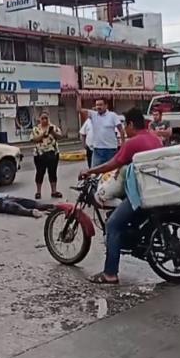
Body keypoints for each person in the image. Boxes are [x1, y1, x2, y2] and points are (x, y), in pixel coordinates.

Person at [79, 108, 163, 285]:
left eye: (125, 124)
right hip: (156, 190)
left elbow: (114, 163)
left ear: (131, 124)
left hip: (142, 194)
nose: (123, 128)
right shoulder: (155, 139)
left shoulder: (133, 143)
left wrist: (90, 170)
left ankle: (110, 274)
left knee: (113, 225)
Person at [80, 99, 125, 167]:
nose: (98, 107)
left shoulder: (112, 115)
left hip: (110, 150)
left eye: (100, 105)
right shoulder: (93, 115)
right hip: (97, 150)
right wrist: (78, 97)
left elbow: (121, 130)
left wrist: (123, 144)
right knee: (94, 172)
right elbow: (79, 110)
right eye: (97, 105)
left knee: (111, 172)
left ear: (106, 106)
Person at [31, 111, 63, 200]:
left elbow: (60, 137)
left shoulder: (53, 127)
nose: (44, 120)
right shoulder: (36, 129)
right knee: (40, 173)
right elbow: (34, 139)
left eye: (46, 118)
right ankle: (38, 192)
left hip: (52, 154)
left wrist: (52, 132)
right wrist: (43, 133)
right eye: (42, 118)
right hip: (40, 154)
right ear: (39, 119)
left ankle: (54, 191)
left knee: (52, 172)